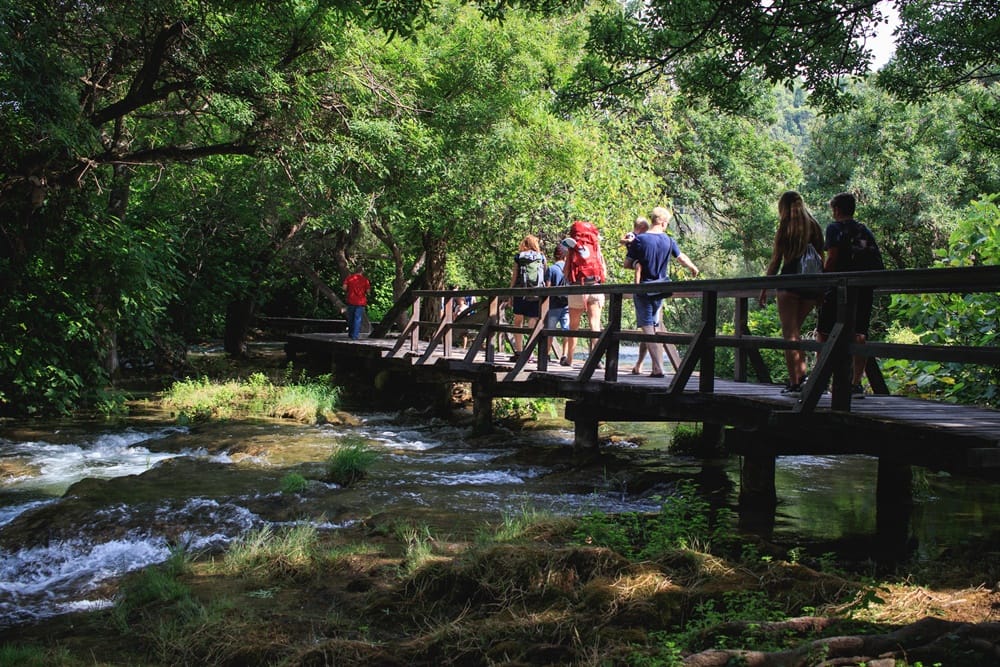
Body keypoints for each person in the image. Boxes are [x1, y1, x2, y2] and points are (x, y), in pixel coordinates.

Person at [816, 191, 884, 398]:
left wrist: (822, 279)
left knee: (824, 332)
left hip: (839, 289)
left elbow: (832, 257)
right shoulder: (864, 230)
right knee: (860, 333)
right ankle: (855, 384)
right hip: (863, 288)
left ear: (836, 210)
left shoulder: (834, 228)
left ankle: (820, 380)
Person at [758, 191, 825, 396]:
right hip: (811, 286)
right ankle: (805, 380)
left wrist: (764, 288)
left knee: (790, 335)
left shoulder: (785, 227)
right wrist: (822, 287)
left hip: (788, 285)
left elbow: (776, 261)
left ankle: (796, 382)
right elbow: (822, 257)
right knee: (797, 332)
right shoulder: (814, 226)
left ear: (783, 207)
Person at [625, 206, 699, 377]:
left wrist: (636, 263)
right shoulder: (668, 240)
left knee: (647, 326)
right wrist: (692, 267)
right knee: (652, 326)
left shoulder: (640, 240)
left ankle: (657, 367)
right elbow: (681, 257)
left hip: (644, 288)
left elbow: (627, 264)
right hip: (661, 289)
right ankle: (646, 366)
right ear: (663, 222)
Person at [562, 220, 608, 368]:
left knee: (573, 326)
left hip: (577, 288)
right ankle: (596, 359)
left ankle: (569, 359)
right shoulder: (595, 245)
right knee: (595, 325)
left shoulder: (573, 247)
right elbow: (603, 268)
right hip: (595, 286)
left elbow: (567, 270)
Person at [622, 216, 659, 375]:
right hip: (642, 277)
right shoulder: (635, 237)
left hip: (651, 285)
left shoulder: (646, 238)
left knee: (648, 329)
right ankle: (655, 366)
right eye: (643, 228)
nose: (646, 231)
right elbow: (624, 241)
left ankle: (640, 365)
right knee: (649, 328)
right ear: (638, 228)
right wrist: (629, 242)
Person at [509, 235, 546, 361]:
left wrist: (510, 294)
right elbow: (545, 276)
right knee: (533, 321)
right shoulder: (541, 257)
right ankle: (529, 352)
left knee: (518, 321)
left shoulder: (519, 257)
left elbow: (514, 277)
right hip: (536, 292)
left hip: (520, 292)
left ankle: (519, 352)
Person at [545, 240, 570, 361]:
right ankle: (564, 355)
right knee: (567, 329)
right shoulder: (568, 269)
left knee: (550, 330)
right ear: (566, 256)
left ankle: (547, 354)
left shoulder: (551, 269)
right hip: (567, 303)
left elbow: (547, 288)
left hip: (554, 304)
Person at [342, 270, 371, 340]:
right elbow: (368, 291)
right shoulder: (365, 280)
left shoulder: (349, 278)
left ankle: (350, 334)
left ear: (355, 271)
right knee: (357, 319)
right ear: (362, 272)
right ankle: (355, 336)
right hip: (360, 302)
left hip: (351, 300)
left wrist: (349, 289)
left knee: (351, 318)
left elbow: (344, 288)